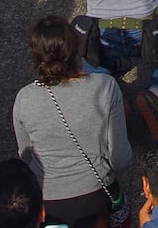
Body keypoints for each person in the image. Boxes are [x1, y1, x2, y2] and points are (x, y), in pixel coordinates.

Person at [12, 15, 133, 228]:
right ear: (76, 48)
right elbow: (120, 157)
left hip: (47, 203)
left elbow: (26, 158)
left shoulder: (24, 98)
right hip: (95, 194)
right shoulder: (105, 86)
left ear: (36, 55)